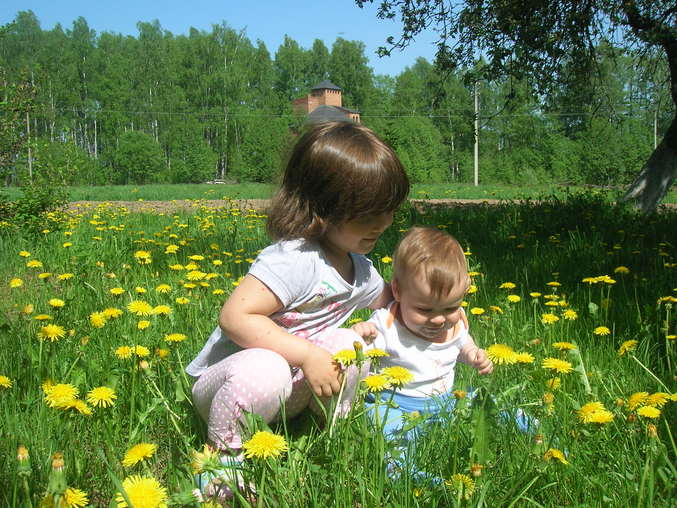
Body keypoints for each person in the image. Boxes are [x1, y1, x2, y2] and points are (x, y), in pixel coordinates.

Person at [186, 121, 410, 496]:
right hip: (230, 389)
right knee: (267, 366)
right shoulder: (294, 259)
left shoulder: (359, 270)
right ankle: (221, 459)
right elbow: (234, 318)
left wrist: (439, 311)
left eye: (389, 210)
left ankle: (329, 438)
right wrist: (307, 354)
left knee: (350, 346)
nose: (384, 223)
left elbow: (392, 303)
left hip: (289, 392)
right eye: (369, 214)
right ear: (322, 206)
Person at [351, 227, 494, 478]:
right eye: (425, 310)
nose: (439, 319)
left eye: (450, 308)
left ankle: (531, 429)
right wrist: (360, 336)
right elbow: (362, 352)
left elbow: (462, 342)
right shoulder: (387, 325)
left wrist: (472, 353)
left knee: (483, 402)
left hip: (444, 402)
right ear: (397, 291)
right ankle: (403, 472)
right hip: (395, 404)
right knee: (386, 426)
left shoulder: (456, 322)